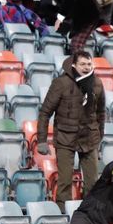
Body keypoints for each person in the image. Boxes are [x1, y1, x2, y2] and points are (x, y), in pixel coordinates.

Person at [36, 51, 105, 210]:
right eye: (83, 64)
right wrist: (41, 140)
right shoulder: (61, 83)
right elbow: (45, 112)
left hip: (89, 138)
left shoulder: (97, 84)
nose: (87, 68)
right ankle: (63, 214)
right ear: (74, 65)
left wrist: (99, 135)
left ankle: (89, 216)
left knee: (93, 182)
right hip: (65, 139)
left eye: (89, 64)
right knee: (65, 182)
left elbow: (101, 112)